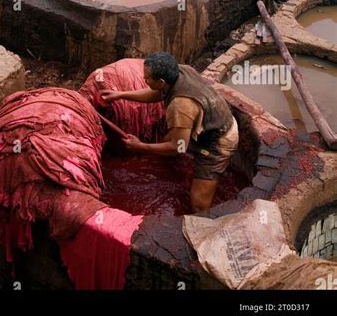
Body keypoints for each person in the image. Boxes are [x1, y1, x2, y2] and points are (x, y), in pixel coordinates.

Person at [101, 52, 239, 212]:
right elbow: (158, 93)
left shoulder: (180, 105)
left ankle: (203, 226)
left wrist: (141, 146)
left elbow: (178, 147)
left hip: (218, 141)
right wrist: (121, 95)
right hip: (210, 122)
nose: (144, 80)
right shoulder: (180, 71)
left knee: (198, 202)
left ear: (161, 81)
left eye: (147, 79)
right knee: (167, 139)